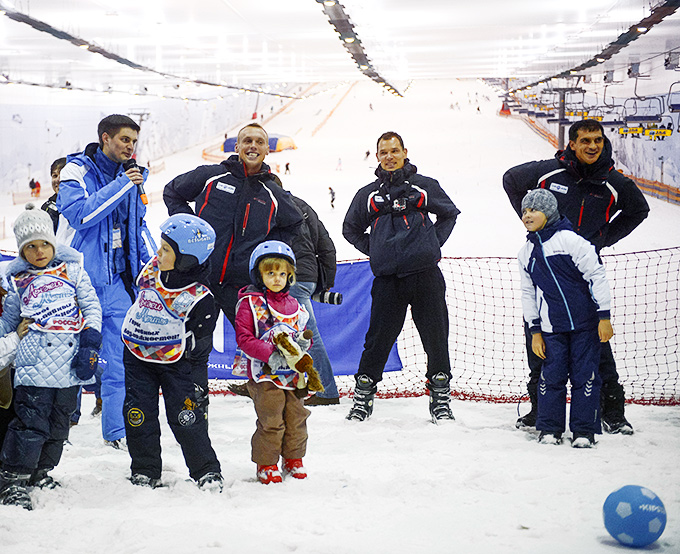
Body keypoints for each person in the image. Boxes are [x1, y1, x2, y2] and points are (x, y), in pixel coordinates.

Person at [503, 119, 650, 435]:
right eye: (585, 141)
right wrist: (534, 223)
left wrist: (603, 237)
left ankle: (612, 412)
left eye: (597, 140)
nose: (592, 147)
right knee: (541, 340)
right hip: (548, 267)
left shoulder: (611, 181)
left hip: (584, 272)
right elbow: (511, 179)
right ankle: (540, 410)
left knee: (597, 342)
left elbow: (639, 210)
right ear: (572, 144)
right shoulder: (552, 172)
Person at [342, 131, 460, 422]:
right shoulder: (368, 194)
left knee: (435, 338)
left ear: (405, 152)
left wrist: (432, 243)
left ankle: (440, 398)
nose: (390, 157)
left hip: (425, 275)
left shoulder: (424, 186)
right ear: (378, 156)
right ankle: (363, 398)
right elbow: (350, 229)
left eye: (394, 151)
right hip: (388, 280)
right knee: (378, 340)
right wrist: (376, 250)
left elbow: (449, 214)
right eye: (384, 152)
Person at [57, 114, 156, 449]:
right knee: (65, 358)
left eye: (133, 141)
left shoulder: (130, 178)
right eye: (124, 140)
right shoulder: (76, 170)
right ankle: (55, 431)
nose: (130, 147)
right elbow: (81, 215)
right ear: (105, 138)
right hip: (77, 284)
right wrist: (123, 184)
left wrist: (150, 264)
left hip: (117, 284)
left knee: (120, 362)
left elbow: (136, 227)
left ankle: (117, 431)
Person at [0, 207, 102, 509]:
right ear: (22, 251)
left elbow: (92, 307)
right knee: (31, 424)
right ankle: (13, 478)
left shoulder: (73, 271)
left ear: (54, 244)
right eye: (30, 246)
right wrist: (9, 339)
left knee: (60, 423)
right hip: (34, 365)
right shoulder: (19, 280)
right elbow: (8, 320)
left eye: (43, 243)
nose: (39, 251)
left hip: (70, 364)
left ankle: (41, 470)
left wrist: (90, 343)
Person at [163, 123, 302, 327]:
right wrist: (191, 229)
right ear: (237, 147)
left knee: (253, 342)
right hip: (199, 277)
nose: (253, 146)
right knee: (192, 342)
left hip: (240, 286)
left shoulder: (272, 193)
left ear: (267, 150)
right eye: (247, 141)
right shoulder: (212, 176)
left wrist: (264, 251)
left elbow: (294, 223)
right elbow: (173, 192)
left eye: (259, 142)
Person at [121, 214, 223, 491]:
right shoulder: (153, 268)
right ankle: (144, 468)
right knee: (138, 413)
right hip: (137, 356)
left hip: (176, 364)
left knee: (185, 418)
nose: (158, 253)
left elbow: (201, 347)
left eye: (166, 250)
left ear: (188, 258)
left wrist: (198, 383)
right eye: (161, 246)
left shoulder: (201, 299)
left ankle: (206, 470)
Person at [518, 189, 612, 447]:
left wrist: (604, 316)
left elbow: (597, 275)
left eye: (534, 210)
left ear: (548, 213)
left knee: (586, 376)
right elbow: (528, 293)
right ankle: (550, 429)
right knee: (552, 377)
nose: (527, 215)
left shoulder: (570, 241)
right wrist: (535, 331)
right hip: (551, 328)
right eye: (525, 211)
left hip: (585, 325)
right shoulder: (526, 252)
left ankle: (583, 431)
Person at [233, 241, 311, 484]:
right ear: (259, 275)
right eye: (270, 273)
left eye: (282, 274)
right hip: (265, 374)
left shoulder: (296, 306)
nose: (277, 279)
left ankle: (293, 458)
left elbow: (300, 334)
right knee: (271, 419)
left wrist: (301, 347)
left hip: (293, 375)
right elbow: (245, 338)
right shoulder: (250, 303)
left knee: (297, 416)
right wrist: (270, 354)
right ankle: (266, 463)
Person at [41, 157, 66, 233]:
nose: (58, 180)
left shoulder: (81, 203)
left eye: (63, 175)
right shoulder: (47, 208)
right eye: (54, 176)